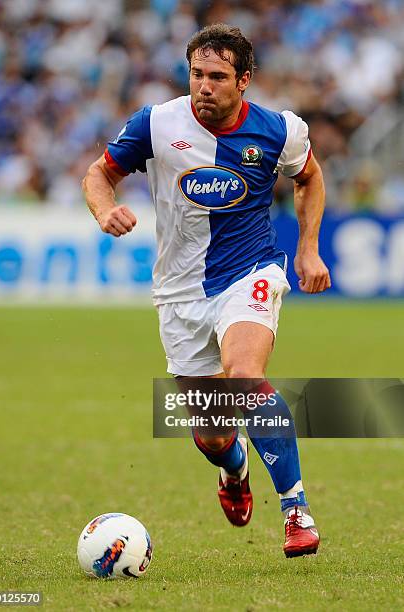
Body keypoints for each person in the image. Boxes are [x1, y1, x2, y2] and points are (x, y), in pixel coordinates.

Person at [82, 23, 331, 558]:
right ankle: (234, 469)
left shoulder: (279, 130)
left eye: (217, 76)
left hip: (250, 272)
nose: (204, 86)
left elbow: (308, 176)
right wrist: (105, 210)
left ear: (243, 81)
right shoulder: (155, 123)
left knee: (245, 376)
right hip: (179, 294)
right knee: (215, 435)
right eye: (197, 74)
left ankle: (295, 509)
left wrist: (308, 249)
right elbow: (98, 174)